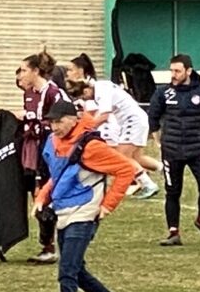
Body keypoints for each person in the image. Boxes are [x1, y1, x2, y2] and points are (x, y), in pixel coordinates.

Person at [32, 99, 147, 292]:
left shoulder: (92, 146)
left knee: (67, 272)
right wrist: (42, 197)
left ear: (74, 119)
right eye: (51, 122)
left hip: (84, 214)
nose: (54, 127)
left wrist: (108, 205)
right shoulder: (53, 143)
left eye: (59, 121)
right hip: (63, 212)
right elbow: (58, 174)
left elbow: (126, 170)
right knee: (76, 271)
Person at [150, 53, 200, 246]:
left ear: (188, 71)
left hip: (197, 149)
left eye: (177, 71)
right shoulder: (163, 93)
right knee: (173, 191)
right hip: (172, 150)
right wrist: (160, 142)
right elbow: (153, 118)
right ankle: (174, 232)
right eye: (171, 70)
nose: (173, 74)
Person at [67, 53, 158, 201]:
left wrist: (87, 129)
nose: (86, 100)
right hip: (131, 121)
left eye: (84, 97)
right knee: (134, 157)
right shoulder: (100, 88)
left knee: (121, 157)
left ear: (86, 91)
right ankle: (156, 174)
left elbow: (103, 115)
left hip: (133, 121)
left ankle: (147, 184)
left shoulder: (101, 90)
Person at [14, 51, 69, 265]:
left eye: (24, 70)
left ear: (36, 71)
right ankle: (48, 243)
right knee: (35, 193)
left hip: (48, 150)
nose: (21, 74)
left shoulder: (53, 93)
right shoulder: (29, 92)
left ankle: (52, 245)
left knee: (45, 193)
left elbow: (64, 118)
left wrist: (33, 119)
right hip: (31, 148)